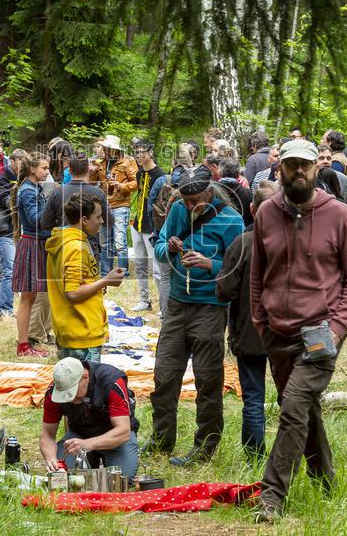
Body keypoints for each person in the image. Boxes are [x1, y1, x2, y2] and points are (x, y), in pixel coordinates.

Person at [249, 139, 347, 523]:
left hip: (320, 332)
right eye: (291, 165)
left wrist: (336, 328)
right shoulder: (266, 213)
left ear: (317, 168)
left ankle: (272, 496)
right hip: (275, 332)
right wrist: (259, 320)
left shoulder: (341, 215)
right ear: (279, 168)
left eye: (305, 165)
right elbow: (257, 274)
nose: (298, 172)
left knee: (292, 409)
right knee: (304, 411)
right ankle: (325, 479)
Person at [150, 166, 244, 467]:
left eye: (196, 200)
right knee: (164, 375)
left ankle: (205, 447)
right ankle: (161, 439)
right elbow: (160, 248)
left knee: (208, 380)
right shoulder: (177, 210)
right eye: (187, 200)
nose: (190, 206)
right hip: (177, 305)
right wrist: (172, 248)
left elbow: (238, 267)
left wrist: (209, 264)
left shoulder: (232, 220)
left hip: (210, 308)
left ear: (210, 191)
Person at [215, 180, 278, 462]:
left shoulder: (242, 244)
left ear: (252, 209)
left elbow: (225, 290)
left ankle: (254, 458)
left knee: (253, 398)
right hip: (286, 334)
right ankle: (292, 452)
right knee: (291, 396)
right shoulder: (294, 241)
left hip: (251, 332)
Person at [46, 193, 126, 361]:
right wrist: (106, 280)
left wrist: (96, 284)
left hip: (69, 328)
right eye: (98, 217)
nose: (102, 221)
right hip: (82, 333)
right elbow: (73, 293)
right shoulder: (76, 247)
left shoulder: (65, 241)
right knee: (86, 386)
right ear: (84, 219)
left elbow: (75, 282)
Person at [39, 357, 140, 477]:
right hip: (79, 435)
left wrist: (89, 444)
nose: (70, 399)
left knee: (121, 479)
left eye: (73, 392)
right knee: (64, 476)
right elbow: (47, 434)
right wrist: (52, 461)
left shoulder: (111, 381)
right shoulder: (54, 391)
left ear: (85, 376)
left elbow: (123, 431)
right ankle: (89, 461)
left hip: (115, 438)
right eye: (65, 395)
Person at [40, 153, 112, 271]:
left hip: (64, 247)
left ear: (69, 170)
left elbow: (45, 223)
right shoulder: (97, 193)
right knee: (89, 286)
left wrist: (63, 224)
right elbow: (109, 220)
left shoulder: (57, 192)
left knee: (65, 286)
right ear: (88, 169)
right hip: (89, 248)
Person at [147, 144, 197, 313]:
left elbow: (150, 206)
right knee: (187, 275)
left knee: (165, 277)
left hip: (164, 235)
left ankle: (164, 313)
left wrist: (157, 229)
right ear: (192, 159)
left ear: (174, 160)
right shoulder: (197, 181)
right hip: (190, 237)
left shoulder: (163, 180)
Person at [13, 153, 52, 357]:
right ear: (32, 170)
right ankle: (23, 345)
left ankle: (25, 342)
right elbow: (35, 219)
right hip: (31, 244)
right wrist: (55, 210)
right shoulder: (28, 191)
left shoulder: (34, 188)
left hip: (37, 243)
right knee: (27, 297)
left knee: (31, 296)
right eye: (44, 168)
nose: (47, 172)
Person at [129, 140, 165, 312]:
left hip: (152, 227)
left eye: (142, 152)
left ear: (151, 152)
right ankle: (144, 300)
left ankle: (163, 305)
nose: (138, 155)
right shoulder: (139, 173)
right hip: (137, 224)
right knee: (140, 264)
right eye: (136, 152)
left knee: (156, 268)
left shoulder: (160, 175)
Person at [0, 149, 23, 321]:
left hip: (17, 231)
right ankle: (4, 310)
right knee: (10, 270)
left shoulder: (20, 179)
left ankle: (14, 306)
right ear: (13, 161)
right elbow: (10, 205)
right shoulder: (1, 180)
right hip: (4, 231)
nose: (25, 166)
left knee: (15, 269)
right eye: (22, 162)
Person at [100, 135, 138, 275]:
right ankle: (105, 271)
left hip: (121, 205)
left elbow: (136, 182)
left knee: (120, 241)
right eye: (105, 148)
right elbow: (93, 181)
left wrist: (121, 186)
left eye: (109, 148)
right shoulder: (101, 162)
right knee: (105, 242)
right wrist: (92, 173)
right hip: (103, 205)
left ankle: (122, 271)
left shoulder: (128, 161)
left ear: (116, 149)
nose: (106, 150)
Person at [218, 158, 252, 224]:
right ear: (238, 174)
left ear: (220, 173)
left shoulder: (212, 192)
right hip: (242, 231)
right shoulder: (248, 193)